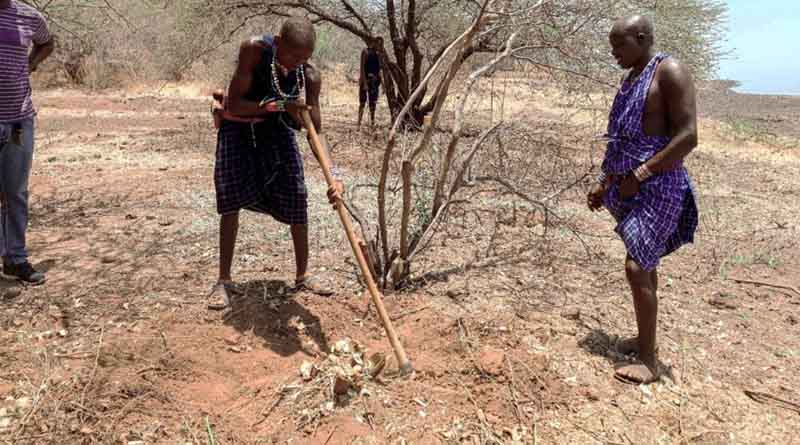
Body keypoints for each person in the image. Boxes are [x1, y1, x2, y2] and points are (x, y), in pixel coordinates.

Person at [587, 15, 699, 384]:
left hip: (660, 185)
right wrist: (605, 182)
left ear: (641, 37)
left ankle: (649, 361)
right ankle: (642, 338)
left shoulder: (670, 72)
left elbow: (688, 136)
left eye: (619, 45)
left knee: (637, 267)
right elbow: (620, 139)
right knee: (645, 264)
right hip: (627, 186)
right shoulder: (631, 80)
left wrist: (641, 175)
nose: (614, 53)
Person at [208, 17, 343, 310]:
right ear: (278, 42)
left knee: (297, 194)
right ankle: (224, 280)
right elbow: (235, 104)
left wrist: (334, 176)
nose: (297, 63)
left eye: (305, 57)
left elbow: (315, 131)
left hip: (275, 128)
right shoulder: (254, 50)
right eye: (293, 55)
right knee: (230, 199)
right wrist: (281, 105)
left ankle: (302, 276)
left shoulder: (309, 76)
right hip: (237, 125)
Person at [0, 0, 54, 285]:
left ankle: (16, 259)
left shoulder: (29, 16)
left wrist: (31, 63)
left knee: (15, 193)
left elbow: (47, 43)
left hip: (18, 120)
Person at [357, 37, 382, 129]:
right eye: (378, 44)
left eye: (381, 44)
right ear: (374, 43)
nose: (380, 46)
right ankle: (358, 124)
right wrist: (364, 83)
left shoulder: (378, 55)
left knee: (373, 104)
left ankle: (372, 122)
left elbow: (379, 70)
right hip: (365, 81)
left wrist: (381, 83)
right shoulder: (365, 51)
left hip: (374, 82)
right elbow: (362, 68)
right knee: (362, 103)